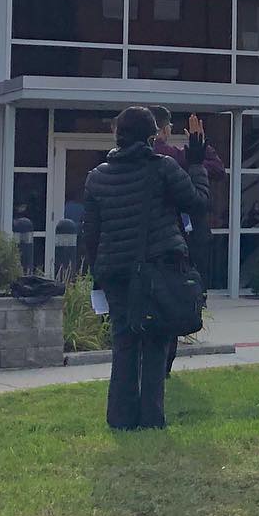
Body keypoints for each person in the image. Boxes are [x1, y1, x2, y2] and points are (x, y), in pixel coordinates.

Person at [81, 105, 209, 431]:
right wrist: (196, 162)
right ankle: (151, 419)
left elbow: (91, 234)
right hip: (156, 268)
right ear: (152, 136)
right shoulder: (162, 167)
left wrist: (99, 273)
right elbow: (196, 202)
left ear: (117, 135)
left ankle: (121, 419)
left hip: (115, 272)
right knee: (155, 340)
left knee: (123, 341)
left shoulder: (96, 177)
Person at [151, 107, 225, 284]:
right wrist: (200, 147)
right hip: (184, 236)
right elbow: (218, 169)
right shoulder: (174, 157)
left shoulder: (127, 164)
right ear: (165, 129)